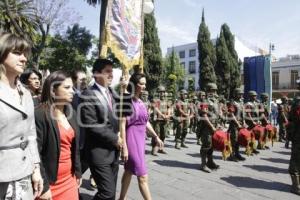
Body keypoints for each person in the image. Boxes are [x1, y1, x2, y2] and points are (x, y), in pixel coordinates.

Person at [0, 32, 43, 199]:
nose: (24, 59)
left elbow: (30, 134)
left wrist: (36, 169)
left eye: (25, 54)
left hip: (24, 174)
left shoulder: (25, 93)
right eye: (17, 53)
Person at [35, 71, 82, 200]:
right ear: (53, 90)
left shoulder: (71, 112)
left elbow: (75, 147)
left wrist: (78, 172)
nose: (72, 91)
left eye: (72, 87)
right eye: (67, 87)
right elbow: (35, 154)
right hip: (50, 183)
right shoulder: (40, 114)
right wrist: (44, 187)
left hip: (70, 179)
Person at [80, 58, 122, 200]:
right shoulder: (88, 94)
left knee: (111, 195)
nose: (111, 75)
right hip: (98, 153)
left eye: (112, 71)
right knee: (107, 193)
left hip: (114, 152)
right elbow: (91, 125)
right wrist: (115, 138)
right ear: (97, 74)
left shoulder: (113, 93)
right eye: (107, 72)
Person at [119, 73, 163, 200]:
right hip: (131, 139)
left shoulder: (141, 102)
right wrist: (125, 147)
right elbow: (122, 124)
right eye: (141, 84)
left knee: (128, 171)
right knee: (142, 175)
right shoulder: (126, 100)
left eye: (145, 83)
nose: (144, 86)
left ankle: (121, 198)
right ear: (134, 84)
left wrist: (156, 136)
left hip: (140, 140)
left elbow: (145, 122)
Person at [199, 83, 220, 173]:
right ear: (208, 91)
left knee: (211, 146)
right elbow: (204, 115)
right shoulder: (205, 101)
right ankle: (203, 165)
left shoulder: (215, 101)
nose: (214, 92)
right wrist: (211, 126)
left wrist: (218, 124)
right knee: (206, 145)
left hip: (214, 126)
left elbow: (216, 114)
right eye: (212, 90)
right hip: (206, 127)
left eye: (215, 90)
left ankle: (210, 162)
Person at [287, 78, 300, 195]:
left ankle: (296, 186)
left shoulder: (297, 102)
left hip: (297, 135)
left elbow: (292, 119)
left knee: (295, 161)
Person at [227, 88, 246, 162]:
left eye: (241, 94)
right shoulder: (233, 103)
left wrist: (243, 122)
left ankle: (237, 154)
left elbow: (243, 114)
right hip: (234, 124)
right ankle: (231, 155)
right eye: (239, 94)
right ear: (235, 94)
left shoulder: (241, 102)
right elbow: (231, 114)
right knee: (234, 140)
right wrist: (237, 123)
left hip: (240, 123)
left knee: (238, 140)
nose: (241, 95)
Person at [151, 85, 170, 155]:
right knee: (156, 134)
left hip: (164, 120)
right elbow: (155, 108)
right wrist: (162, 115)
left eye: (163, 92)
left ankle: (161, 148)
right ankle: (154, 148)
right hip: (157, 120)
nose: (162, 93)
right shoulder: (155, 100)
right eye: (160, 92)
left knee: (163, 134)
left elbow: (169, 108)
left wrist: (168, 115)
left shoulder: (166, 100)